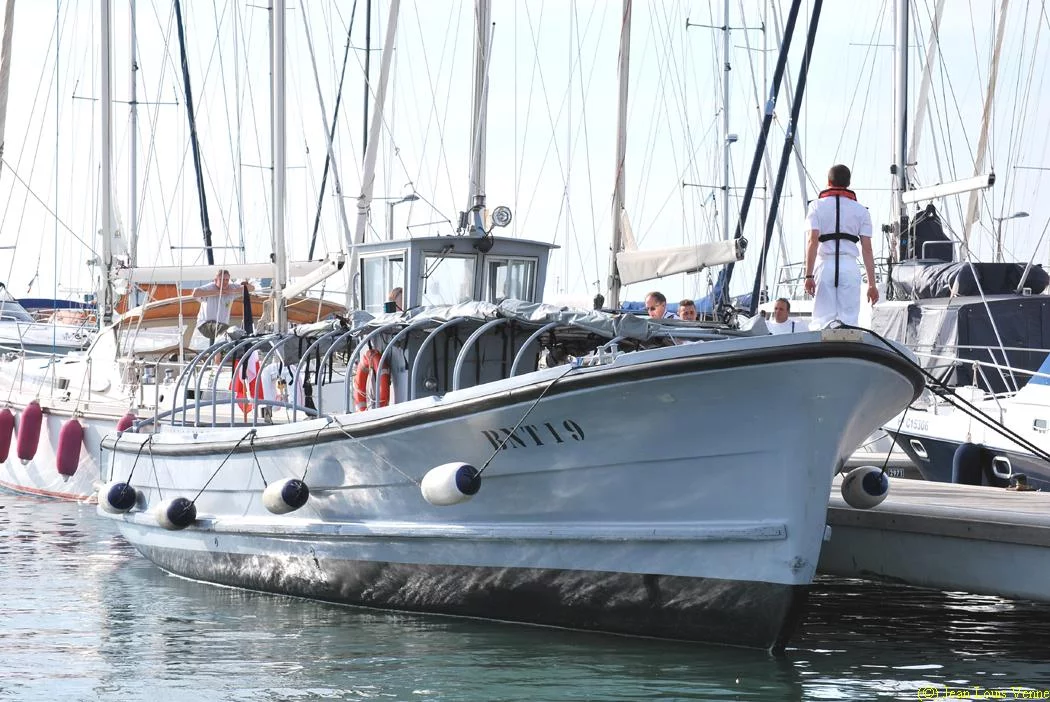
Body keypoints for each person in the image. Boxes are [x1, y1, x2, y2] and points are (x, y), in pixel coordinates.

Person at [803, 164, 878, 330]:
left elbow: (812, 241)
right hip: (849, 267)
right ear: (848, 183)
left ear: (828, 182)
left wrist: (808, 275)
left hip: (825, 266)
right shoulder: (862, 211)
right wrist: (872, 284)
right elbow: (867, 249)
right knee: (849, 322)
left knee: (821, 322)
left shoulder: (816, 206)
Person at [192, 269, 254, 344]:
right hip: (205, 325)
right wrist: (218, 292)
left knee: (235, 334)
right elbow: (195, 293)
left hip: (222, 325)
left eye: (227, 280)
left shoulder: (231, 287)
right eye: (221, 280)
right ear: (215, 280)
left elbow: (251, 288)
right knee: (225, 333)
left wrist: (231, 291)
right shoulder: (210, 287)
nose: (224, 282)